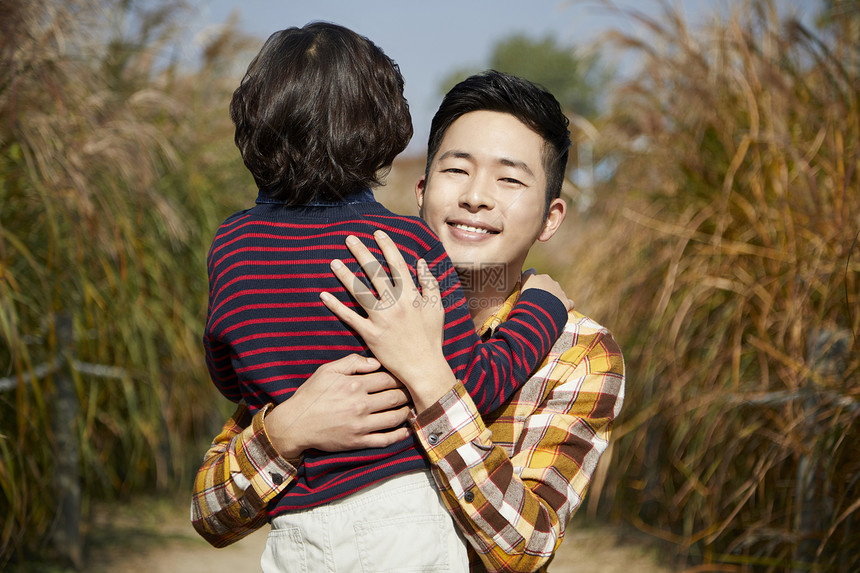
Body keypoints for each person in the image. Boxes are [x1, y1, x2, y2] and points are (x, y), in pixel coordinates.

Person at [193, 69, 625, 572]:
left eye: (509, 179)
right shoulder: (351, 301)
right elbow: (211, 514)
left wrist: (427, 375)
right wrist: (286, 433)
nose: (476, 196)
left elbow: (525, 549)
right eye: (456, 169)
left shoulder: (577, 352)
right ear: (420, 190)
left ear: (551, 217)